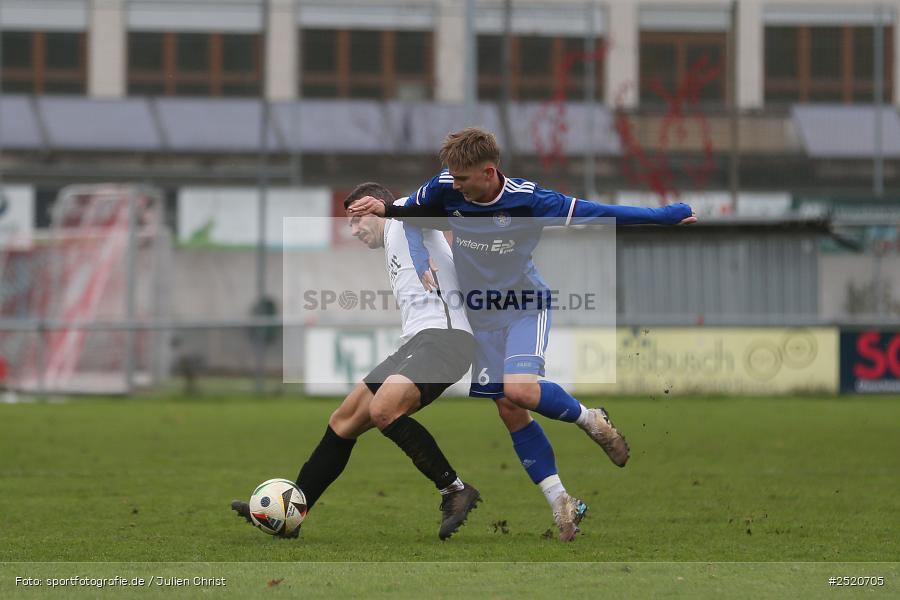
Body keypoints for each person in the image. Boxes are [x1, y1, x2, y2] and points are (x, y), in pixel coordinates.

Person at [348, 127, 697, 540]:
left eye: (462, 179)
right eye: (452, 178)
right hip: (481, 318)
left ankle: (591, 419)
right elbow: (411, 213)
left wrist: (664, 215)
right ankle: (562, 503)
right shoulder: (446, 185)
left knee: (520, 389)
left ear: (488, 172)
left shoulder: (530, 200)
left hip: (523, 307)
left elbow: (598, 212)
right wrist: (407, 238)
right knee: (510, 409)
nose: (454, 186)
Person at [233, 182, 480, 541]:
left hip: (446, 339)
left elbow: (439, 207)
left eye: (355, 219)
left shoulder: (405, 216)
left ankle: (454, 489)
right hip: (418, 342)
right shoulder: (395, 237)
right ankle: (291, 515)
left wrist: (403, 205)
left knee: (384, 410)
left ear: (375, 205)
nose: (352, 230)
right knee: (343, 421)